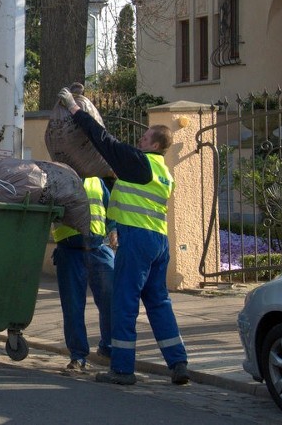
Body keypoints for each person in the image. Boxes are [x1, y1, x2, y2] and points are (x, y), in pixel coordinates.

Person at [57, 86, 189, 386]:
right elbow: (125, 195)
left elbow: (105, 142)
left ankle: (122, 369)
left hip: (138, 241)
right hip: (159, 242)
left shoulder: (139, 162)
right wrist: (114, 224)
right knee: (159, 302)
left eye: (144, 138)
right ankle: (178, 363)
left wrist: (75, 111)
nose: (138, 140)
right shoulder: (163, 172)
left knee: (124, 301)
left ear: (154, 143)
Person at [52, 176, 115, 371]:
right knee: (73, 306)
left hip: (98, 248)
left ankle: (109, 347)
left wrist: (113, 229)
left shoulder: (97, 182)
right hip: (69, 251)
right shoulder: (57, 181)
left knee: (111, 300)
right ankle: (78, 356)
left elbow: (110, 208)